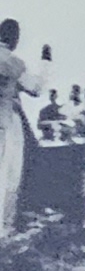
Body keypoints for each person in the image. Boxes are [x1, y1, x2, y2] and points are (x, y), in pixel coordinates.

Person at [0, 15, 32, 229]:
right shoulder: (13, 62)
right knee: (9, 176)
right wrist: (46, 63)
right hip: (5, 122)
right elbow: (36, 87)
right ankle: (4, 227)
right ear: (14, 39)